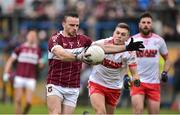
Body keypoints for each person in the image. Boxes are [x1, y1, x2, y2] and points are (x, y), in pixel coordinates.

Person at [46, 12, 144, 114]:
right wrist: (79, 57)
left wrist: (127, 47)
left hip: (73, 86)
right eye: (71, 25)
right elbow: (62, 54)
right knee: (55, 113)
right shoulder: (55, 39)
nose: (75, 28)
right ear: (63, 24)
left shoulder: (83, 40)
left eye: (77, 25)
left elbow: (102, 49)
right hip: (56, 83)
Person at [88, 23, 141, 114]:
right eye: (117, 33)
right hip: (96, 83)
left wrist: (135, 80)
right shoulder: (101, 43)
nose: (119, 36)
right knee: (101, 112)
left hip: (114, 87)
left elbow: (135, 74)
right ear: (113, 33)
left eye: (123, 34)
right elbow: (87, 52)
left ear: (128, 37)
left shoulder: (130, 51)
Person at [127, 12, 171, 114]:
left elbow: (168, 59)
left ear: (152, 24)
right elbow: (125, 60)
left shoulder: (159, 40)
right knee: (138, 111)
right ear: (139, 24)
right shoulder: (133, 40)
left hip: (154, 83)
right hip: (137, 81)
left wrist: (165, 72)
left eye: (148, 22)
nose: (146, 24)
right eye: (143, 22)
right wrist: (127, 75)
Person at [3, 30, 44, 114]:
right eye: (30, 36)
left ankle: (24, 113)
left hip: (30, 78)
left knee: (29, 102)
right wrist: (6, 72)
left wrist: (41, 65)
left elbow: (40, 64)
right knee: (18, 100)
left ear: (36, 38)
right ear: (27, 37)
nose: (32, 37)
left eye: (34, 36)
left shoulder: (38, 50)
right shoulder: (20, 48)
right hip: (19, 77)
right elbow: (10, 60)